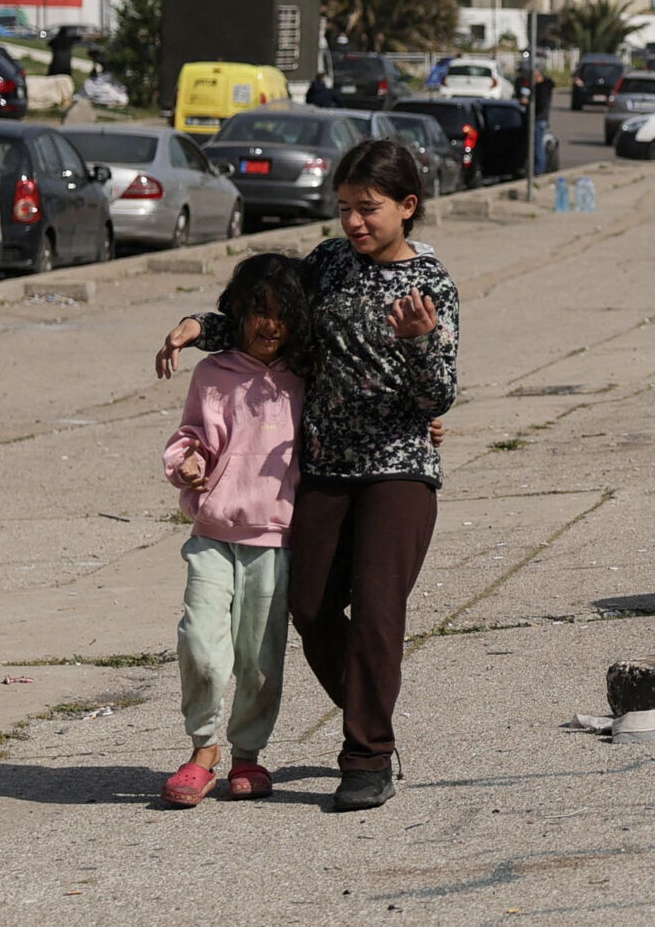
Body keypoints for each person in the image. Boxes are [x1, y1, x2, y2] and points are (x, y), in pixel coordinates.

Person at [157, 139, 459, 813]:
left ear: (408, 208)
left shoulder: (431, 285)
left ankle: (366, 755)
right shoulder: (325, 264)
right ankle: (372, 715)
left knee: (379, 610)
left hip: (398, 470)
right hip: (321, 468)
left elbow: (438, 396)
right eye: (346, 208)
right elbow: (265, 319)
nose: (354, 222)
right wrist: (197, 327)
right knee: (312, 606)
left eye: (369, 209)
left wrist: (417, 342)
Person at [158, 252, 313, 808]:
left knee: (259, 660)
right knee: (200, 645)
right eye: (256, 311)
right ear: (237, 312)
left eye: (280, 313)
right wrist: (189, 462)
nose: (267, 325)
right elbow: (189, 435)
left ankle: (248, 755)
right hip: (213, 533)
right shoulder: (212, 373)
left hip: (275, 541)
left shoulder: (305, 377)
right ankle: (202, 750)